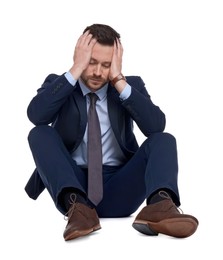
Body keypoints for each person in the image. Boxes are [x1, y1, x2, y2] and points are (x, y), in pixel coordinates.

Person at [25, 23, 198, 241]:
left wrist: (118, 80)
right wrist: (75, 70)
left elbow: (155, 127)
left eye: (106, 65)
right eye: (91, 62)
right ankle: (80, 212)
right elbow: (36, 116)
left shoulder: (129, 85)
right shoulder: (59, 84)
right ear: (79, 57)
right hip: (74, 188)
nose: (98, 72)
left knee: (164, 139)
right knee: (39, 133)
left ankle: (159, 208)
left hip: (121, 186)